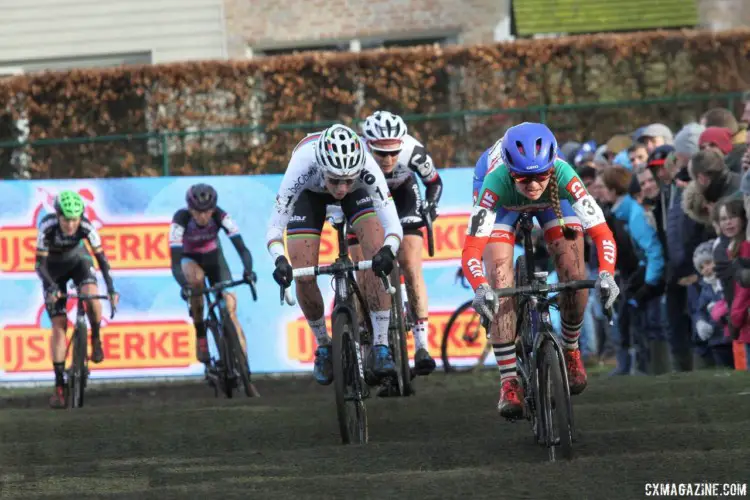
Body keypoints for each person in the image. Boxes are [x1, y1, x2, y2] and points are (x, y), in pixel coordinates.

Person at [461, 122, 620, 418]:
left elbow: (602, 233)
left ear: (552, 167)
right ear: (510, 171)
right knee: (499, 278)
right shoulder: (495, 181)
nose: (533, 185)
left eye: (540, 176)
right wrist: (481, 288)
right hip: (504, 204)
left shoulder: (563, 174)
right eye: (524, 178)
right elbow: (471, 249)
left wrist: (607, 274)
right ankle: (509, 379)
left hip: (555, 201)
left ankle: (571, 349)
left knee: (573, 271)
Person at [266, 124, 404, 385]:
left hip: (359, 196)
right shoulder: (302, 164)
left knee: (376, 257)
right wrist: (279, 259)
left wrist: (388, 251)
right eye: (335, 180)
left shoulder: (365, 167)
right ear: (321, 168)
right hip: (310, 196)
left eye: (347, 180)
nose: (341, 188)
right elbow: (274, 228)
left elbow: (393, 225)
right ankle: (323, 345)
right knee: (303, 274)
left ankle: (381, 344)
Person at [355, 110, 443, 374]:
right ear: (368, 145)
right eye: (381, 153)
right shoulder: (355, 153)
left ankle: (421, 345)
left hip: (403, 196)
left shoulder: (414, 152)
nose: (389, 159)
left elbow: (434, 183)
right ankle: (366, 341)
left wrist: (431, 206)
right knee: (362, 270)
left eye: (394, 152)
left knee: (411, 265)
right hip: (365, 198)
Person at [35, 190, 119, 409]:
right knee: (59, 324)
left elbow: (101, 259)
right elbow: (39, 265)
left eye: (75, 219)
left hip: (78, 262)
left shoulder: (86, 226)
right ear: (58, 216)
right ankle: (59, 386)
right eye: (66, 220)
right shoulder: (47, 226)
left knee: (92, 297)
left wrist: (111, 289)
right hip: (52, 270)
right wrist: (52, 287)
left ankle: (96, 338)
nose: (71, 225)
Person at [168, 184, 256, 364]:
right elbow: (175, 263)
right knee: (197, 281)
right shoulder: (180, 219)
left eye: (207, 211)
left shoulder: (220, 216)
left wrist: (248, 270)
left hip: (215, 260)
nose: (203, 216)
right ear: (190, 209)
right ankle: (200, 334)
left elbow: (242, 248)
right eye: (198, 212)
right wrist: (185, 286)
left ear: (213, 208)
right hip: (190, 259)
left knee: (230, 310)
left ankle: (244, 367)